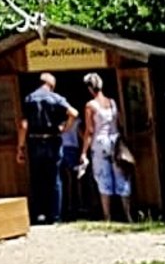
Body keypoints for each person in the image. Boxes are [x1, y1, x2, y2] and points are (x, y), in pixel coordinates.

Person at [17, 71, 75, 223]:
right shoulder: (57, 99)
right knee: (55, 179)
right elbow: (73, 113)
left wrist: (20, 148)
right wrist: (65, 129)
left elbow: (23, 126)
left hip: (35, 143)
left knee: (37, 179)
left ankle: (38, 214)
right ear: (52, 85)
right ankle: (55, 216)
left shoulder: (29, 98)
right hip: (53, 141)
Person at [80, 70, 131, 223]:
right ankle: (127, 215)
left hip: (99, 142)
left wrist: (83, 152)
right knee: (121, 176)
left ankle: (107, 216)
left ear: (89, 88)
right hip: (115, 140)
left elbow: (89, 130)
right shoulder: (112, 102)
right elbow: (120, 123)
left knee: (103, 178)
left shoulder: (90, 105)